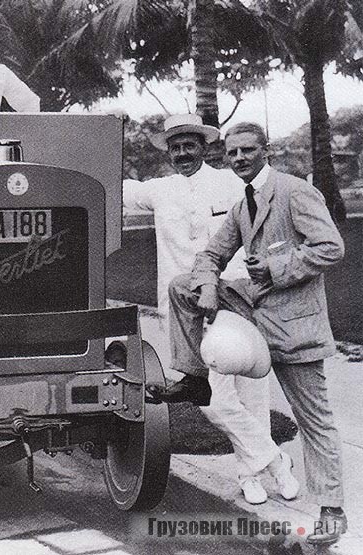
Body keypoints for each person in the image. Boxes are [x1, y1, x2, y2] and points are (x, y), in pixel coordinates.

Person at [157, 121, 346, 545]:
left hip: (294, 327)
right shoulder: (242, 205)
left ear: (266, 150)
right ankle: (193, 378)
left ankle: (332, 512)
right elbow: (212, 253)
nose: (239, 158)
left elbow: (331, 246)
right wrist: (207, 285)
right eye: (232, 153)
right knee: (182, 286)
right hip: (253, 312)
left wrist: (277, 268)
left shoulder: (294, 191)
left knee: (315, 421)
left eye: (247, 150)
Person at [123, 113, 295, 505]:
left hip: (233, 303)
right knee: (216, 401)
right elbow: (115, 187)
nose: (183, 153)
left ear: (204, 147)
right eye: (176, 147)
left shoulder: (231, 183)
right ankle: (274, 460)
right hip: (186, 314)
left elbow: (268, 227)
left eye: (190, 145)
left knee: (252, 393)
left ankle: (248, 474)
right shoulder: (159, 190)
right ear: (168, 152)